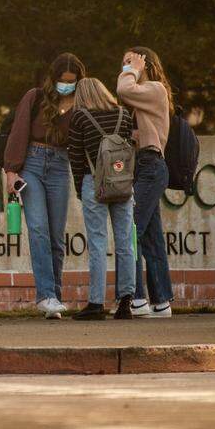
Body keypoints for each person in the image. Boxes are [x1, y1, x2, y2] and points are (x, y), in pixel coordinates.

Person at [3, 53, 85, 318]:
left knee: (56, 237)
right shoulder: (35, 97)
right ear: (54, 78)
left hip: (61, 166)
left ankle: (55, 296)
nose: (66, 85)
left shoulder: (82, 104)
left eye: (72, 81)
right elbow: (18, 132)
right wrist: (11, 171)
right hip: (33, 164)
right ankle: (46, 295)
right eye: (63, 80)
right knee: (38, 229)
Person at [67, 78, 137, 320]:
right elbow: (128, 150)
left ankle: (96, 303)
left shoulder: (80, 117)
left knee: (98, 242)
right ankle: (126, 302)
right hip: (122, 181)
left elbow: (76, 158)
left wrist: (80, 189)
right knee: (125, 242)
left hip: (93, 181)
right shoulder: (123, 114)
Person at [117, 47, 175, 318]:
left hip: (150, 165)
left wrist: (133, 70)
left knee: (131, 229)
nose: (125, 68)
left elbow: (124, 89)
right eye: (124, 63)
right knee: (151, 237)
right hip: (141, 167)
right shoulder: (140, 97)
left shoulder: (155, 89)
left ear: (145, 64)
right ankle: (161, 301)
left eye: (130, 61)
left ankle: (137, 298)